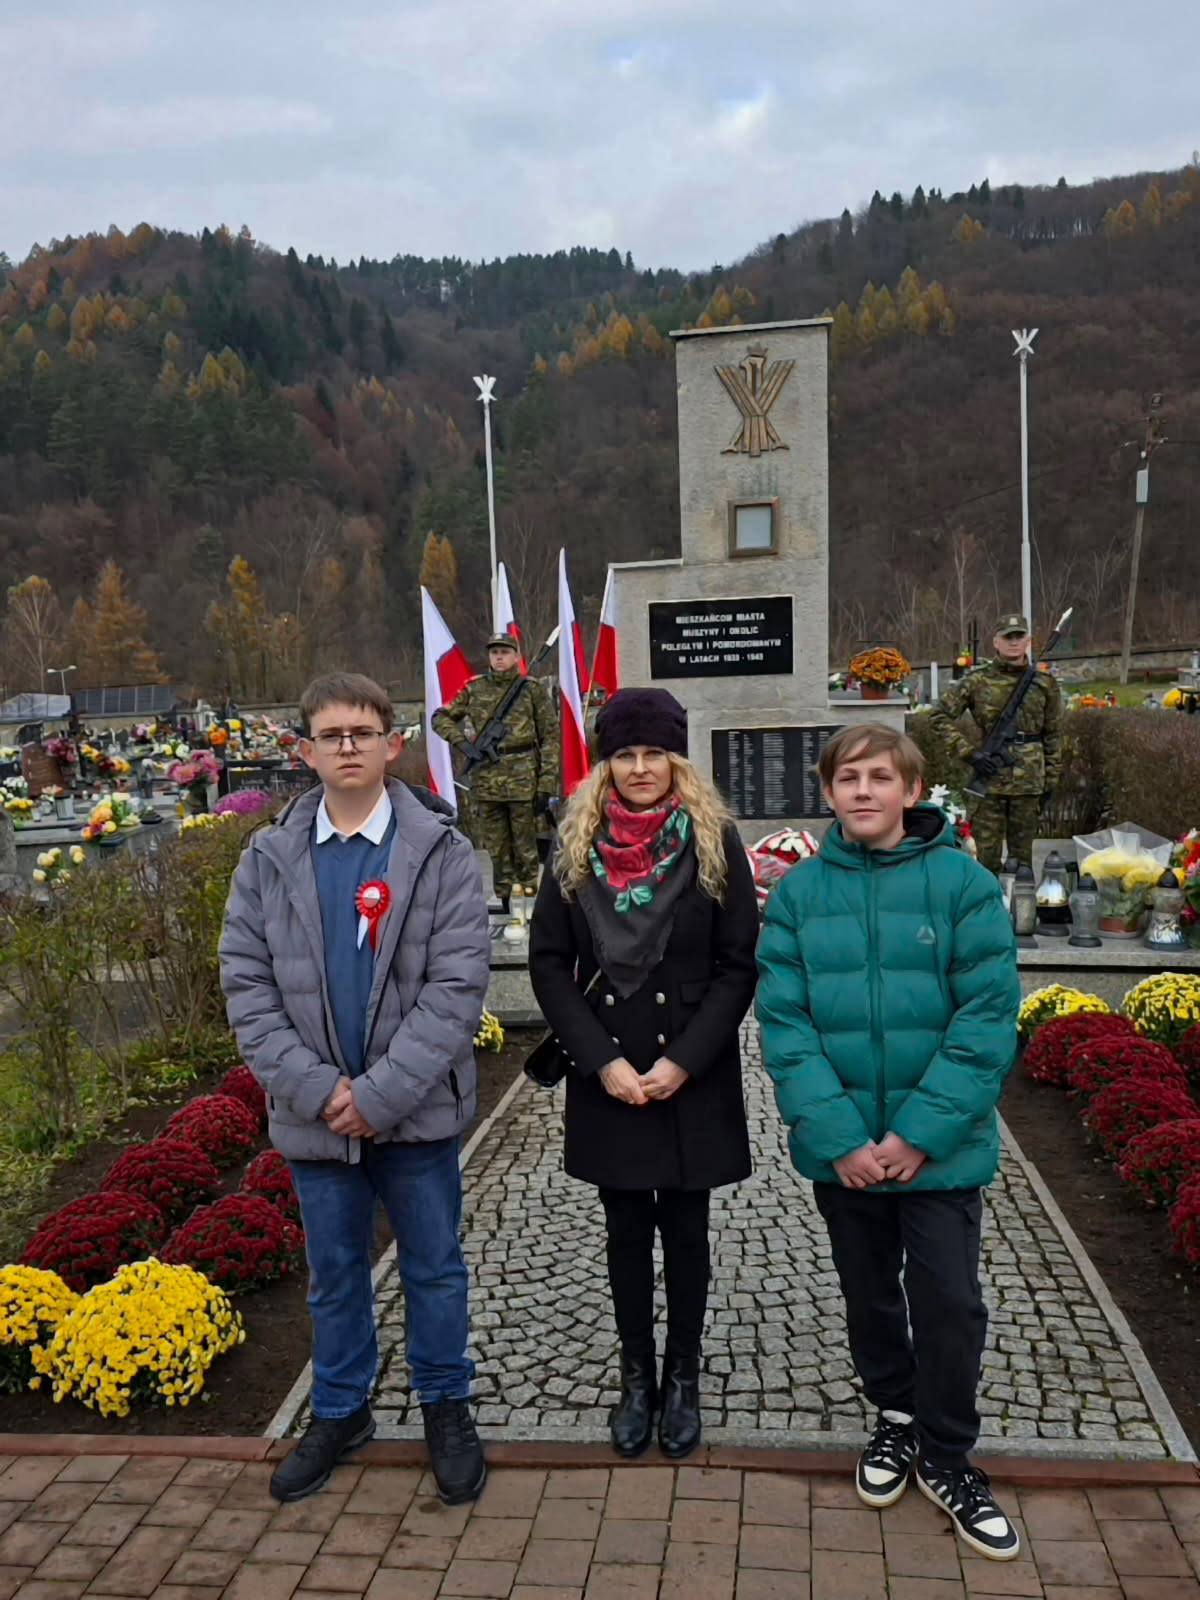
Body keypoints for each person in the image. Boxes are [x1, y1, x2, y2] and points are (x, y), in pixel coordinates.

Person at [219, 671, 490, 1507]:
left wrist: (377, 1094)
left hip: (415, 1114)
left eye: (362, 733)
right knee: (333, 1272)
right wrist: (317, 1090)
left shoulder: (440, 851)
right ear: (304, 750)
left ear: (392, 743)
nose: (347, 747)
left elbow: (456, 989)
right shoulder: (267, 857)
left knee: (435, 1269)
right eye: (330, 735)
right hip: (314, 1119)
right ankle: (340, 1409)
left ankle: (446, 1404)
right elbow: (246, 983)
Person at [757, 722, 1022, 1562]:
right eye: (847, 779)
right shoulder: (797, 897)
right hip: (847, 1155)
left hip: (937, 1151)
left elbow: (986, 1021)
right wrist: (839, 1136)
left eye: (879, 777)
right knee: (869, 1293)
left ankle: (948, 1455)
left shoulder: (964, 886)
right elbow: (785, 1023)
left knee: (949, 1302)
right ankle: (895, 1416)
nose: (863, 792)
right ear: (829, 794)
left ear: (911, 791)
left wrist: (918, 1133)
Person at [528, 688, 758, 1461]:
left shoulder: (716, 839)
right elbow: (551, 966)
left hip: (688, 1067)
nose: (638, 768)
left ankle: (683, 1376)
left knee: (687, 1231)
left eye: (653, 753)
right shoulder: (574, 843)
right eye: (624, 754)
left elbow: (736, 967)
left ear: (676, 758)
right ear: (606, 763)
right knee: (625, 1229)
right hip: (611, 1068)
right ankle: (637, 1377)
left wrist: (681, 1062)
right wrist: (604, 1062)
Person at [927, 613, 1062, 873]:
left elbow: (1054, 734)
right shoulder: (977, 681)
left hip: (1029, 782)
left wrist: (1051, 779)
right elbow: (938, 716)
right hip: (990, 779)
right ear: (996, 643)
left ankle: (1021, 911)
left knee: (1023, 863)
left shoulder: (1044, 683)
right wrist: (968, 753)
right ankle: (988, 909)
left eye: (1019, 636)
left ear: (1029, 641)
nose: (1014, 642)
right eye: (1007, 637)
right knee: (986, 861)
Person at [432, 635, 557, 911]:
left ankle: (531, 898)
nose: (499, 657)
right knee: (496, 845)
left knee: (525, 844)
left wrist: (546, 783)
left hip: (523, 775)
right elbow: (439, 718)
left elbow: (550, 737)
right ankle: (504, 899)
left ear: (515, 656)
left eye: (504, 652)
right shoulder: (474, 689)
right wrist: (464, 744)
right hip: (487, 780)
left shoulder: (530, 690)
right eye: (494, 653)